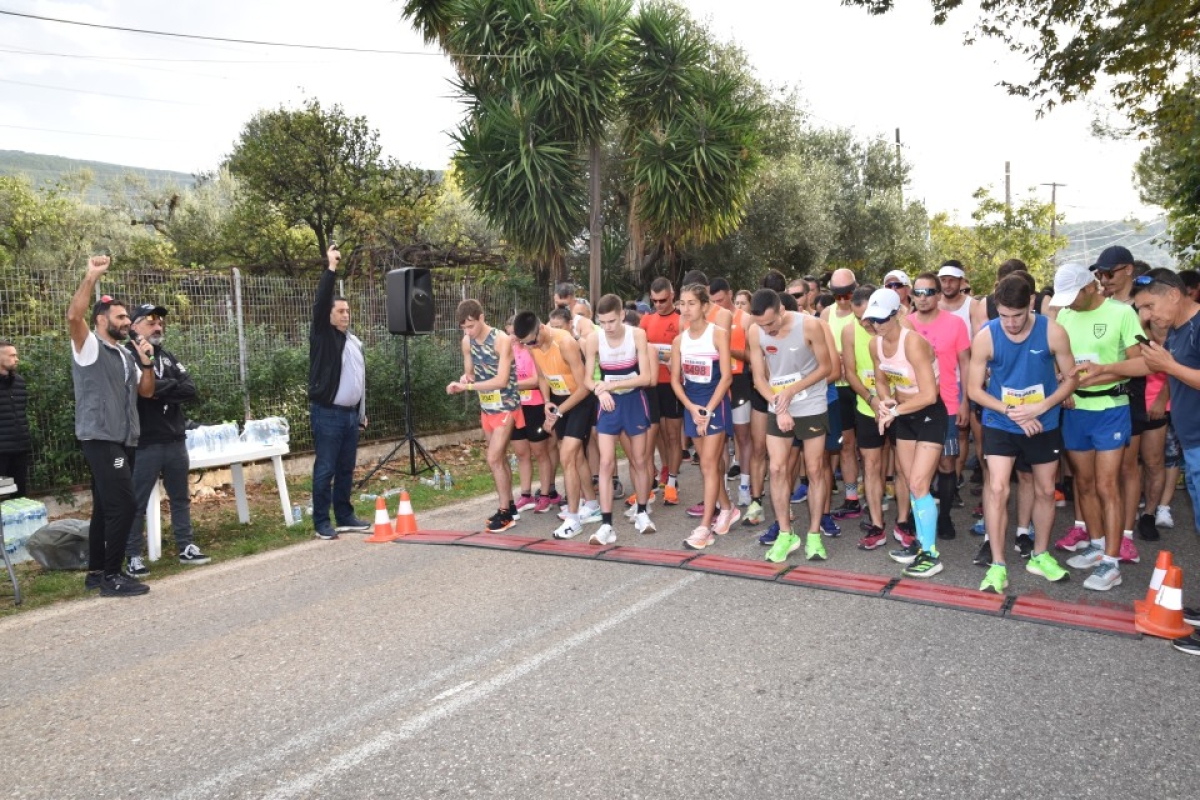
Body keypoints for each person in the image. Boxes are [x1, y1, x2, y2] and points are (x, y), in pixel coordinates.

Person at [967, 275, 1075, 593]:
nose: (1011, 324)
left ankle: (1040, 555)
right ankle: (998, 564)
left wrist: (1041, 407)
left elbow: (1071, 380)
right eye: (1003, 315)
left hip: (1043, 420)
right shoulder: (986, 336)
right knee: (998, 489)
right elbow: (974, 389)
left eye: (1017, 315)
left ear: (1030, 304)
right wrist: (1011, 411)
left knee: (1044, 490)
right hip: (1002, 420)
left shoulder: (1053, 331)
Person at [1049, 262, 1143, 590]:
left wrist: (1101, 371)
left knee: (1107, 485)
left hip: (1110, 408)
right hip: (1075, 410)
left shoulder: (1121, 313)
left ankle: (1112, 563)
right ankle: (1097, 543)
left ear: (1090, 287)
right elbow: (1057, 360)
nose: (1069, 302)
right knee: (1083, 484)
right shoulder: (1064, 316)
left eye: (1073, 295)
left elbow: (1141, 363)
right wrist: (1063, 386)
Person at [68, 255, 156, 596]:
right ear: (101, 320)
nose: (127, 321)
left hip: (123, 439)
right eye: (120, 317)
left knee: (106, 506)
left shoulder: (123, 354)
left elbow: (145, 392)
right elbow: (75, 315)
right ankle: (112, 576)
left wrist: (146, 361)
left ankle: (95, 573)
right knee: (124, 504)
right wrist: (91, 276)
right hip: (100, 437)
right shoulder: (88, 346)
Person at [747, 288, 833, 563]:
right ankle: (786, 534)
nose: (766, 330)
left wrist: (791, 392)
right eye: (761, 325)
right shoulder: (755, 330)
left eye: (770, 324)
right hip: (778, 400)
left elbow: (826, 367)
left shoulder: (809, 325)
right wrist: (777, 402)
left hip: (811, 400)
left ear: (782, 311)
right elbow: (759, 377)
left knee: (815, 468)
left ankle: (814, 535)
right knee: (776, 467)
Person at [122, 304, 209, 576]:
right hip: (145, 442)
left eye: (160, 323)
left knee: (180, 497)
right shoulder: (127, 357)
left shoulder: (167, 357)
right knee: (136, 502)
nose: (158, 327)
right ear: (134, 327)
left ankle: (186, 546)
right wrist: (163, 389)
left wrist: (158, 390)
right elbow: (138, 392)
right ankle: (133, 555)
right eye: (151, 323)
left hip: (174, 439)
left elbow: (190, 389)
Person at [866, 288, 948, 578]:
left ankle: (931, 554)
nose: (876, 326)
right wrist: (885, 400)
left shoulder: (913, 343)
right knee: (910, 482)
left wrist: (894, 412)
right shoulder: (874, 345)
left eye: (881, 320)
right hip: (903, 415)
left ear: (896, 314)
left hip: (928, 413)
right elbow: (880, 380)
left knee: (918, 482)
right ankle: (921, 544)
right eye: (871, 320)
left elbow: (928, 394)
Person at [512, 311, 598, 539]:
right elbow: (542, 377)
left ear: (541, 328)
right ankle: (592, 504)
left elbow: (584, 387)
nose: (531, 345)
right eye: (526, 343)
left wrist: (560, 410)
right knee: (575, 456)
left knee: (567, 456)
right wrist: (548, 402)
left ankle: (573, 519)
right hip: (559, 400)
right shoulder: (533, 346)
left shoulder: (565, 343)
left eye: (532, 340)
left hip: (580, 399)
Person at [308, 245, 370, 541]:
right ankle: (321, 521)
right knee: (326, 469)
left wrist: (360, 413)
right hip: (328, 414)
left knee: (346, 469)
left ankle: (344, 516)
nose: (346, 315)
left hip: (349, 416)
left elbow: (360, 379)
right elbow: (320, 303)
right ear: (329, 315)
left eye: (348, 310)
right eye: (340, 311)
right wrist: (331, 269)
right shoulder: (323, 336)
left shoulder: (354, 341)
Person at [582, 294, 656, 544]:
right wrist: (599, 390)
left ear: (622, 315)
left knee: (639, 460)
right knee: (605, 464)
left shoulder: (637, 335)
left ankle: (643, 512)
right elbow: (587, 380)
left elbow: (646, 377)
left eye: (612, 321)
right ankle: (606, 525)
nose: (607, 327)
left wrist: (611, 387)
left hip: (634, 401)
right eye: (602, 322)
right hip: (609, 405)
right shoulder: (594, 339)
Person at [447, 300, 524, 532]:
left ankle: (504, 513)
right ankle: (509, 506)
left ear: (481, 317)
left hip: (506, 405)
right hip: (487, 407)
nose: (468, 331)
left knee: (493, 458)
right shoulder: (467, 342)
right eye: (464, 328)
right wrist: (464, 380)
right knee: (498, 459)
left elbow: (502, 380)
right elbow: (470, 373)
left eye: (471, 326)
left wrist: (469, 388)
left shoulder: (501, 340)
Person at [672, 283, 737, 549]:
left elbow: (727, 377)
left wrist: (708, 410)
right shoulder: (679, 340)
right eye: (683, 303)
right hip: (692, 406)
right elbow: (676, 381)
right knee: (706, 464)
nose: (686, 309)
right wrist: (690, 407)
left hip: (715, 404)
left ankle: (704, 528)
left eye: (691, 303)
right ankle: (727, 508)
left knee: (710, 464)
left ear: (704, 306)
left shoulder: (718, 334)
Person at [906, 273, 971, 540]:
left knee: (946, 463)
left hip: (946, 403)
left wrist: (966, 400)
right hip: (912, 403)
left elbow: (966, 363)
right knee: (912, 468)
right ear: (912, 296)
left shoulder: (955, 324)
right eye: (918, 293)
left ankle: (944, 517)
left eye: (929, 292)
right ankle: (914, 514)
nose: (923, 298)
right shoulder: (904, 324)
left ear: (938, 294)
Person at [841, 285, 889, 549]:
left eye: (869, 318)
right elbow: (849, 372)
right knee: (870, 465)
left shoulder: (898, 326)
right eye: (860, 319)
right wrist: (871, 399)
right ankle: (877, 524)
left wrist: (893, 402)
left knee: (902, 469)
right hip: (867, 405)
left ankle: (906, 521)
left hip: (899, 407)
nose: (865, 324)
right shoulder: (850, 331)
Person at [507, 315, 559, 515]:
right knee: (521, 453)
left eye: (515, 334)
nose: (512, 337)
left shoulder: (533, 349)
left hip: (535, 405)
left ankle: (545, 494)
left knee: (540, 452)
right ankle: (526, 494)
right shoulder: (508, 351)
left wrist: (510, 384)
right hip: (516, 406)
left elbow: (537, 379)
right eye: (509, 333)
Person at [821, 269, 862, 520]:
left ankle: (877, 493)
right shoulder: (826, 314)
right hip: (837, 388)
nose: (844, 300)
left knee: (871, 449)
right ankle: (851, 497)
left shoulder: (864, 312)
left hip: (864, 386)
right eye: (838, 295)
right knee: (845, 445)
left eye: (849, 294)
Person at [640, 277, 684, 505]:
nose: (658, 304)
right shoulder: (646, 320)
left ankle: (673, 481)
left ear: (672, 295)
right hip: (651, 384)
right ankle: (665, 469)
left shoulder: (681, 320)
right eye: (654, 300)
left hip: (673, 384)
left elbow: (685, 352)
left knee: (673, 434)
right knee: (654, 432)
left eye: (663, 300)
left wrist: (666, 356)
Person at [0, 339, 31, 498]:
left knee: (19, 496)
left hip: (20, 448)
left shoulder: (19, 382)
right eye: (12, 355)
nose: (16, 359)